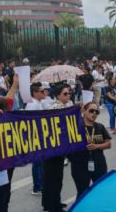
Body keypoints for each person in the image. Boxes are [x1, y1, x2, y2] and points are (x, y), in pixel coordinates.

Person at [70, 102, 111, 199]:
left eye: (97, 112)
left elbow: (108, 144)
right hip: (80, 166)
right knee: (82, 193)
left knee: (100, 190)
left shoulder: (100, 127)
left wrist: (97, 146)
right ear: (84, 111)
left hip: (99, 164)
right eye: (91, 111)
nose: (94, 114)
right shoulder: (75, 127)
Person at [42, 84, 73, 212]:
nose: (68, 95)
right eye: (65, 93)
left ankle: (52, 202)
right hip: (53, 148)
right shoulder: (56, 107)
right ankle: (53, 206)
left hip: (59, 148)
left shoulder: (65, 106)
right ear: (58, 95)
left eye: (69, 93)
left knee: (55, 177)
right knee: (53, 178)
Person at [0, 74, 18, 212]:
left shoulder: (5, 115)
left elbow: (8, 99)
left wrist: (15, 84)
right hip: (4, 164)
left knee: (3, 196)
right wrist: (15, 84)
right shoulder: (7, 116)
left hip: (5, 167)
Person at [26, 83, 47, 195]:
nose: (44, 93)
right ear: (35, 93)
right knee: (37, 162)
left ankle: (40, 184)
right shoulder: (33, 104)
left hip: (39, 135)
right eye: (41, 91)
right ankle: (37, 187)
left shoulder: (38, 103)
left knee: (40, 162)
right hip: (35, 136)